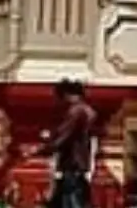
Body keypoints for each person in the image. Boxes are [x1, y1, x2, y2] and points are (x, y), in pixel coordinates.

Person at [43, 79, 98, 208]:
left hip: (72, 165)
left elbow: (63, 137)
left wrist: (43, 148)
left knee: (71, 201)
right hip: (81, 165)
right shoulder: (88, 111)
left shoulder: (76, 112)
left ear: (67, 94)